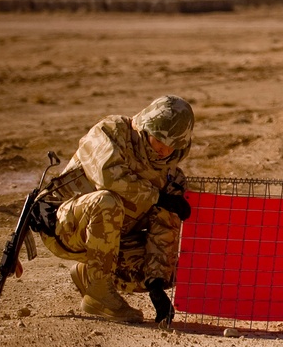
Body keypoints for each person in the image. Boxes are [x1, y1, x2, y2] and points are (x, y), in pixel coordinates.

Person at [34, 95, 195, 324]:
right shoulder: (111, 132)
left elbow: (164, 229)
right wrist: (157, 196)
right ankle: (100, 294)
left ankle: (89, 275)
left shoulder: (172, 177)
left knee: (171, 270)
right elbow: (109, 177)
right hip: (63, 225)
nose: (163, 148)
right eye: (159, 139)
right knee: (107, 202)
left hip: (110, 240)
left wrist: (156, 284)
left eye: (171, 144)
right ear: (146, 128)